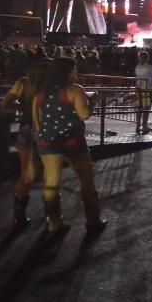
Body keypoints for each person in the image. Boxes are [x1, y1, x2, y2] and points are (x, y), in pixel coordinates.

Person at [32, 56, 107, 233]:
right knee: (86, 181)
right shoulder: (74, 90)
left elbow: (37, 122)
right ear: (67, 72)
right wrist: (94, 101)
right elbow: (84, 115)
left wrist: (41, 140)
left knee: (51, 182)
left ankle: (54, 222)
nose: (76, 73)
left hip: (47, 142)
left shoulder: (40, 92)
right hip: (72, 142)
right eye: (74, 70)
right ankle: (93, 220)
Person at [2, 59, 49, 229]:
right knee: (49, 171)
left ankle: (19, 216)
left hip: (26, 129)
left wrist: (20, 106)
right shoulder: (51, 86)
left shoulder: (22, 83)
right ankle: (51, 213)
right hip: (46, 133)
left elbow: (6, 102)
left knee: (25, 172)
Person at [133, 50, 152, 135]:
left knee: (139, 108)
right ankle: (144, 125)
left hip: (139, 88)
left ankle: (137, 125)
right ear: (147, 58)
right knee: (146, 108)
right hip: (147, 89)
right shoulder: (150, 67)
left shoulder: (137, 67)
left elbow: (137, 76)